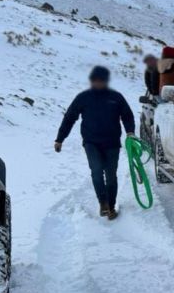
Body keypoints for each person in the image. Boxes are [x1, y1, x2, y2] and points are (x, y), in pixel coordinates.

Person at [55, 66, 135, 220]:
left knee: (111, 175)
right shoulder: (83, 98)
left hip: (112, 143)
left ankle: (111, 207)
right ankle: (103, 203)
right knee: (97, 171)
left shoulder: (116, 97)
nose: (98, 83)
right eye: (95, 80)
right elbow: (69, 118)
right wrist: (60, 139)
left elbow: (127, 115)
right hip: (91, 142)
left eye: (101, 80)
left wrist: (130, 131)